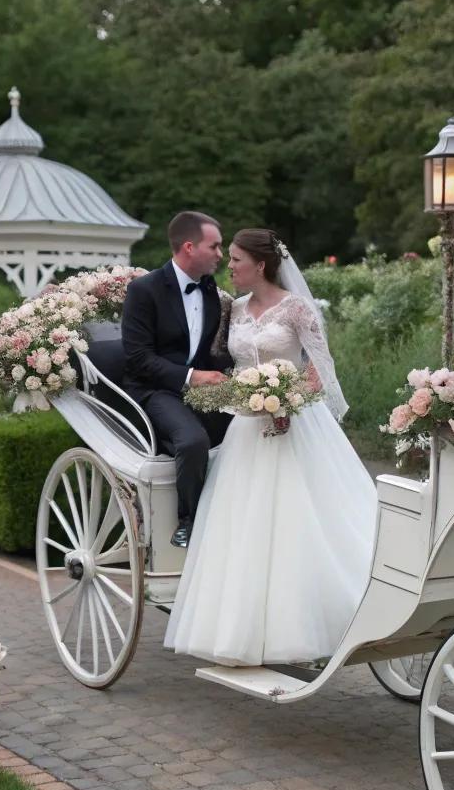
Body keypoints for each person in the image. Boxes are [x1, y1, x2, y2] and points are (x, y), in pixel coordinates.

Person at [164, 228, 378, 667]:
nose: (230, 266)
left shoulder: (297, 308)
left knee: (302, 522)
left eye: (237, 259)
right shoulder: (232, 309)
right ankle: (239, 633)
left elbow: (320, 369)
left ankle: (324, 619)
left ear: (260, 264)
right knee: (243, 526)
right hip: (246, 428)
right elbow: (216, 362)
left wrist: (289, 401)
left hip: (296, 424)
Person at [121, 211, 232, 548]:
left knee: (249, 429)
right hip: (153, 390)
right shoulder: (144, 290)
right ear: (189, 247)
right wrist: (191, 377)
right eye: (214, 246)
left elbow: (209, 352)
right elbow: (138, 358)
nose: (220, 254)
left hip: (196, 390)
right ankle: (188, 522)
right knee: (193, 441)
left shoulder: (211, 291)